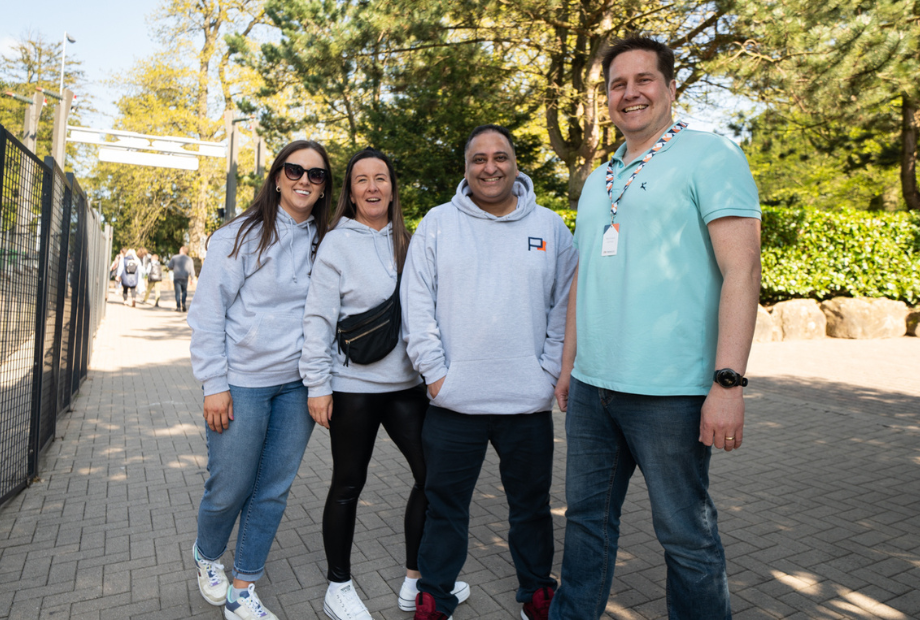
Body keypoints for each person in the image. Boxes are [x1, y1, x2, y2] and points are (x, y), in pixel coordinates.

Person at [548, 37, 762, 620]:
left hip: (673, 392)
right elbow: (583, 281)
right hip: (594, 391)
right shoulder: (597, 179)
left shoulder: (711, 156)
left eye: (644, 80)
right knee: (585, 526)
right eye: (617, 84)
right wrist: (569, 366)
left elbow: (742, 271)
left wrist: (728, 382)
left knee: (686, 540)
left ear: (670, 88)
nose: (630, 93)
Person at [402, 125, 578, 620]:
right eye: (478, 158)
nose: (490, 167)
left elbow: (566, 309)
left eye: (500, 157)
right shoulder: (437, 224)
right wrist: (437, 376)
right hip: (455, 401)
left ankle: (537, 592)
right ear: (466, 167)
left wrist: (548, 373)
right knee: (445, 508)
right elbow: (417, 306)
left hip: (526, 403)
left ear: (516, 164)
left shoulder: (551, 227)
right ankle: (435, 594)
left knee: (532, 509)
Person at [300, 148, 470, 620]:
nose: (372, 187)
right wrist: (318, 385)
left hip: (405, 387)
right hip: (352, 386)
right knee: (347, 484)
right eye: (362, 180)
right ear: (350, 192)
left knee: (431, 477)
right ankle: (339, 584)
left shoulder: (410, 241)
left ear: (393, 187)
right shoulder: (336, 243)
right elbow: (316, 318)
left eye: (381, 178)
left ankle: (416, 579)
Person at [187, 140, 333, 620]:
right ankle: (208, 555)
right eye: (295, 170)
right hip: (241, 383)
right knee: (230, 485)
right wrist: (213, 383)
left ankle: (243, 590)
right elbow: (207, 312)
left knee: (273, 489)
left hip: (298, 386)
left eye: (316, 175)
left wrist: (321, 381)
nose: (304, 181)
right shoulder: (240, 235)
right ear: (276, 177)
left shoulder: (325, 238)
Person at [168, 246, 196, 312]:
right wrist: (192, 278)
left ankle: (178, 306)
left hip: (177, 277)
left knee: (177, 292)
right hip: (185, 277)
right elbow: (192, 270)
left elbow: (169, 266)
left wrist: (174, 268)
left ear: (181, 250)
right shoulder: (189, 259)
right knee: (184, 291)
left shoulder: (174, 257)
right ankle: (183, 303)